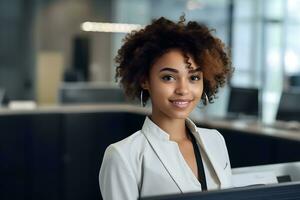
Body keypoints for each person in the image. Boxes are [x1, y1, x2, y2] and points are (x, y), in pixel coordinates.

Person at [99, 15, 233, 200]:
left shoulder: (215, 141)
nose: (183, 90)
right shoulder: (123, 156)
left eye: (194, 78)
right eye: (168, 77)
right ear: (145, 80)